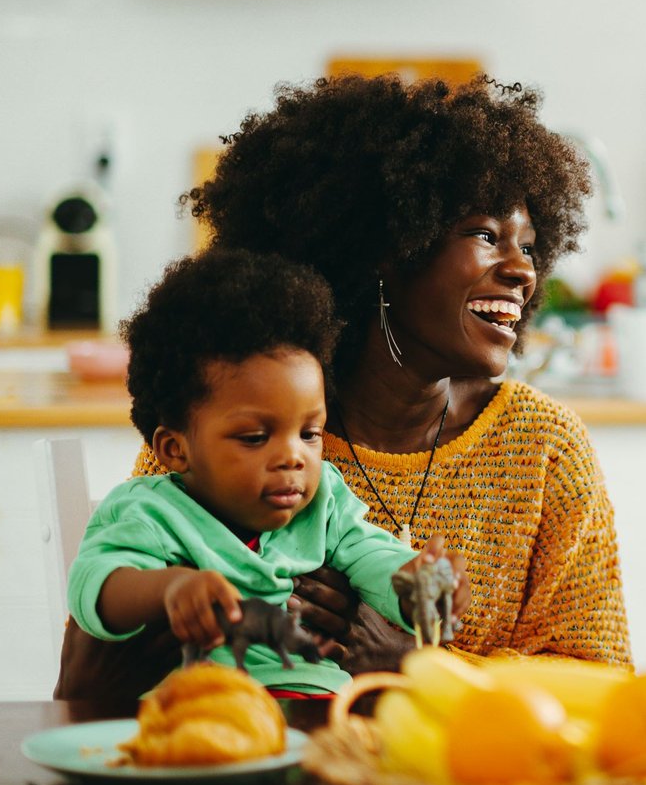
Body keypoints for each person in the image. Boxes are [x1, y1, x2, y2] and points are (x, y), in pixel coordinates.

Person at [54, 73, 631, 699]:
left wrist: (413, 665)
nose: (523, 269)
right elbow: (86, 678)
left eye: (529, 245)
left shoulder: (544, 447)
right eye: (486, 236)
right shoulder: (234, 419)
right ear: (390, 248)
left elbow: (601, 679)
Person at [68, 248, 469, 694]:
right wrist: (169, 589)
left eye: (310, 433)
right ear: (175, 449)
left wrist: (420, 587)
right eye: (256, 438)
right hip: (203, 712)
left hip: (317, 708)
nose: (292, 457)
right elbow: (95, 586)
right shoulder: (151, 510)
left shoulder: (325, 503)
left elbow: (374, 557)